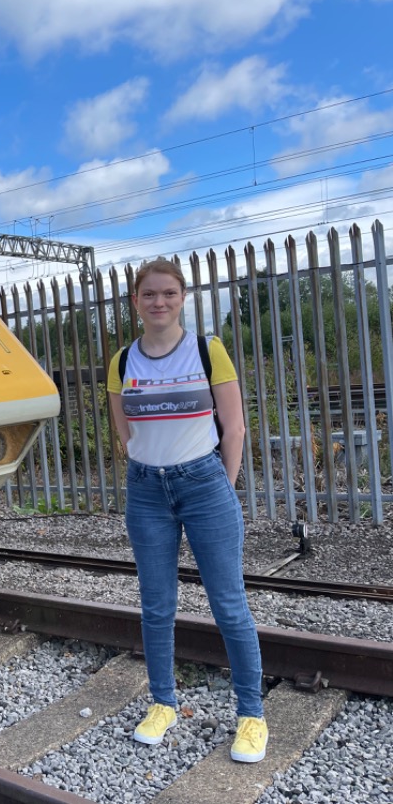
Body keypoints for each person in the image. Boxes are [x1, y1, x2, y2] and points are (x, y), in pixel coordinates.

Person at [106, 256, 267, 763]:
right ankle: (162, 703)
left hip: (203, 483)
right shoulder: (121, 362)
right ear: (136, 302)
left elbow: (234, 426)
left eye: (169, 294)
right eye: (149, 294)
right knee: (156, 605)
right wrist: (148, 464)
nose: (159, 302)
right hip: (146, 490)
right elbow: (122, 429)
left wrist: (223, 483)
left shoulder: (206, 350)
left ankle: (251, 715)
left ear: (182, 298)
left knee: (229, 603)